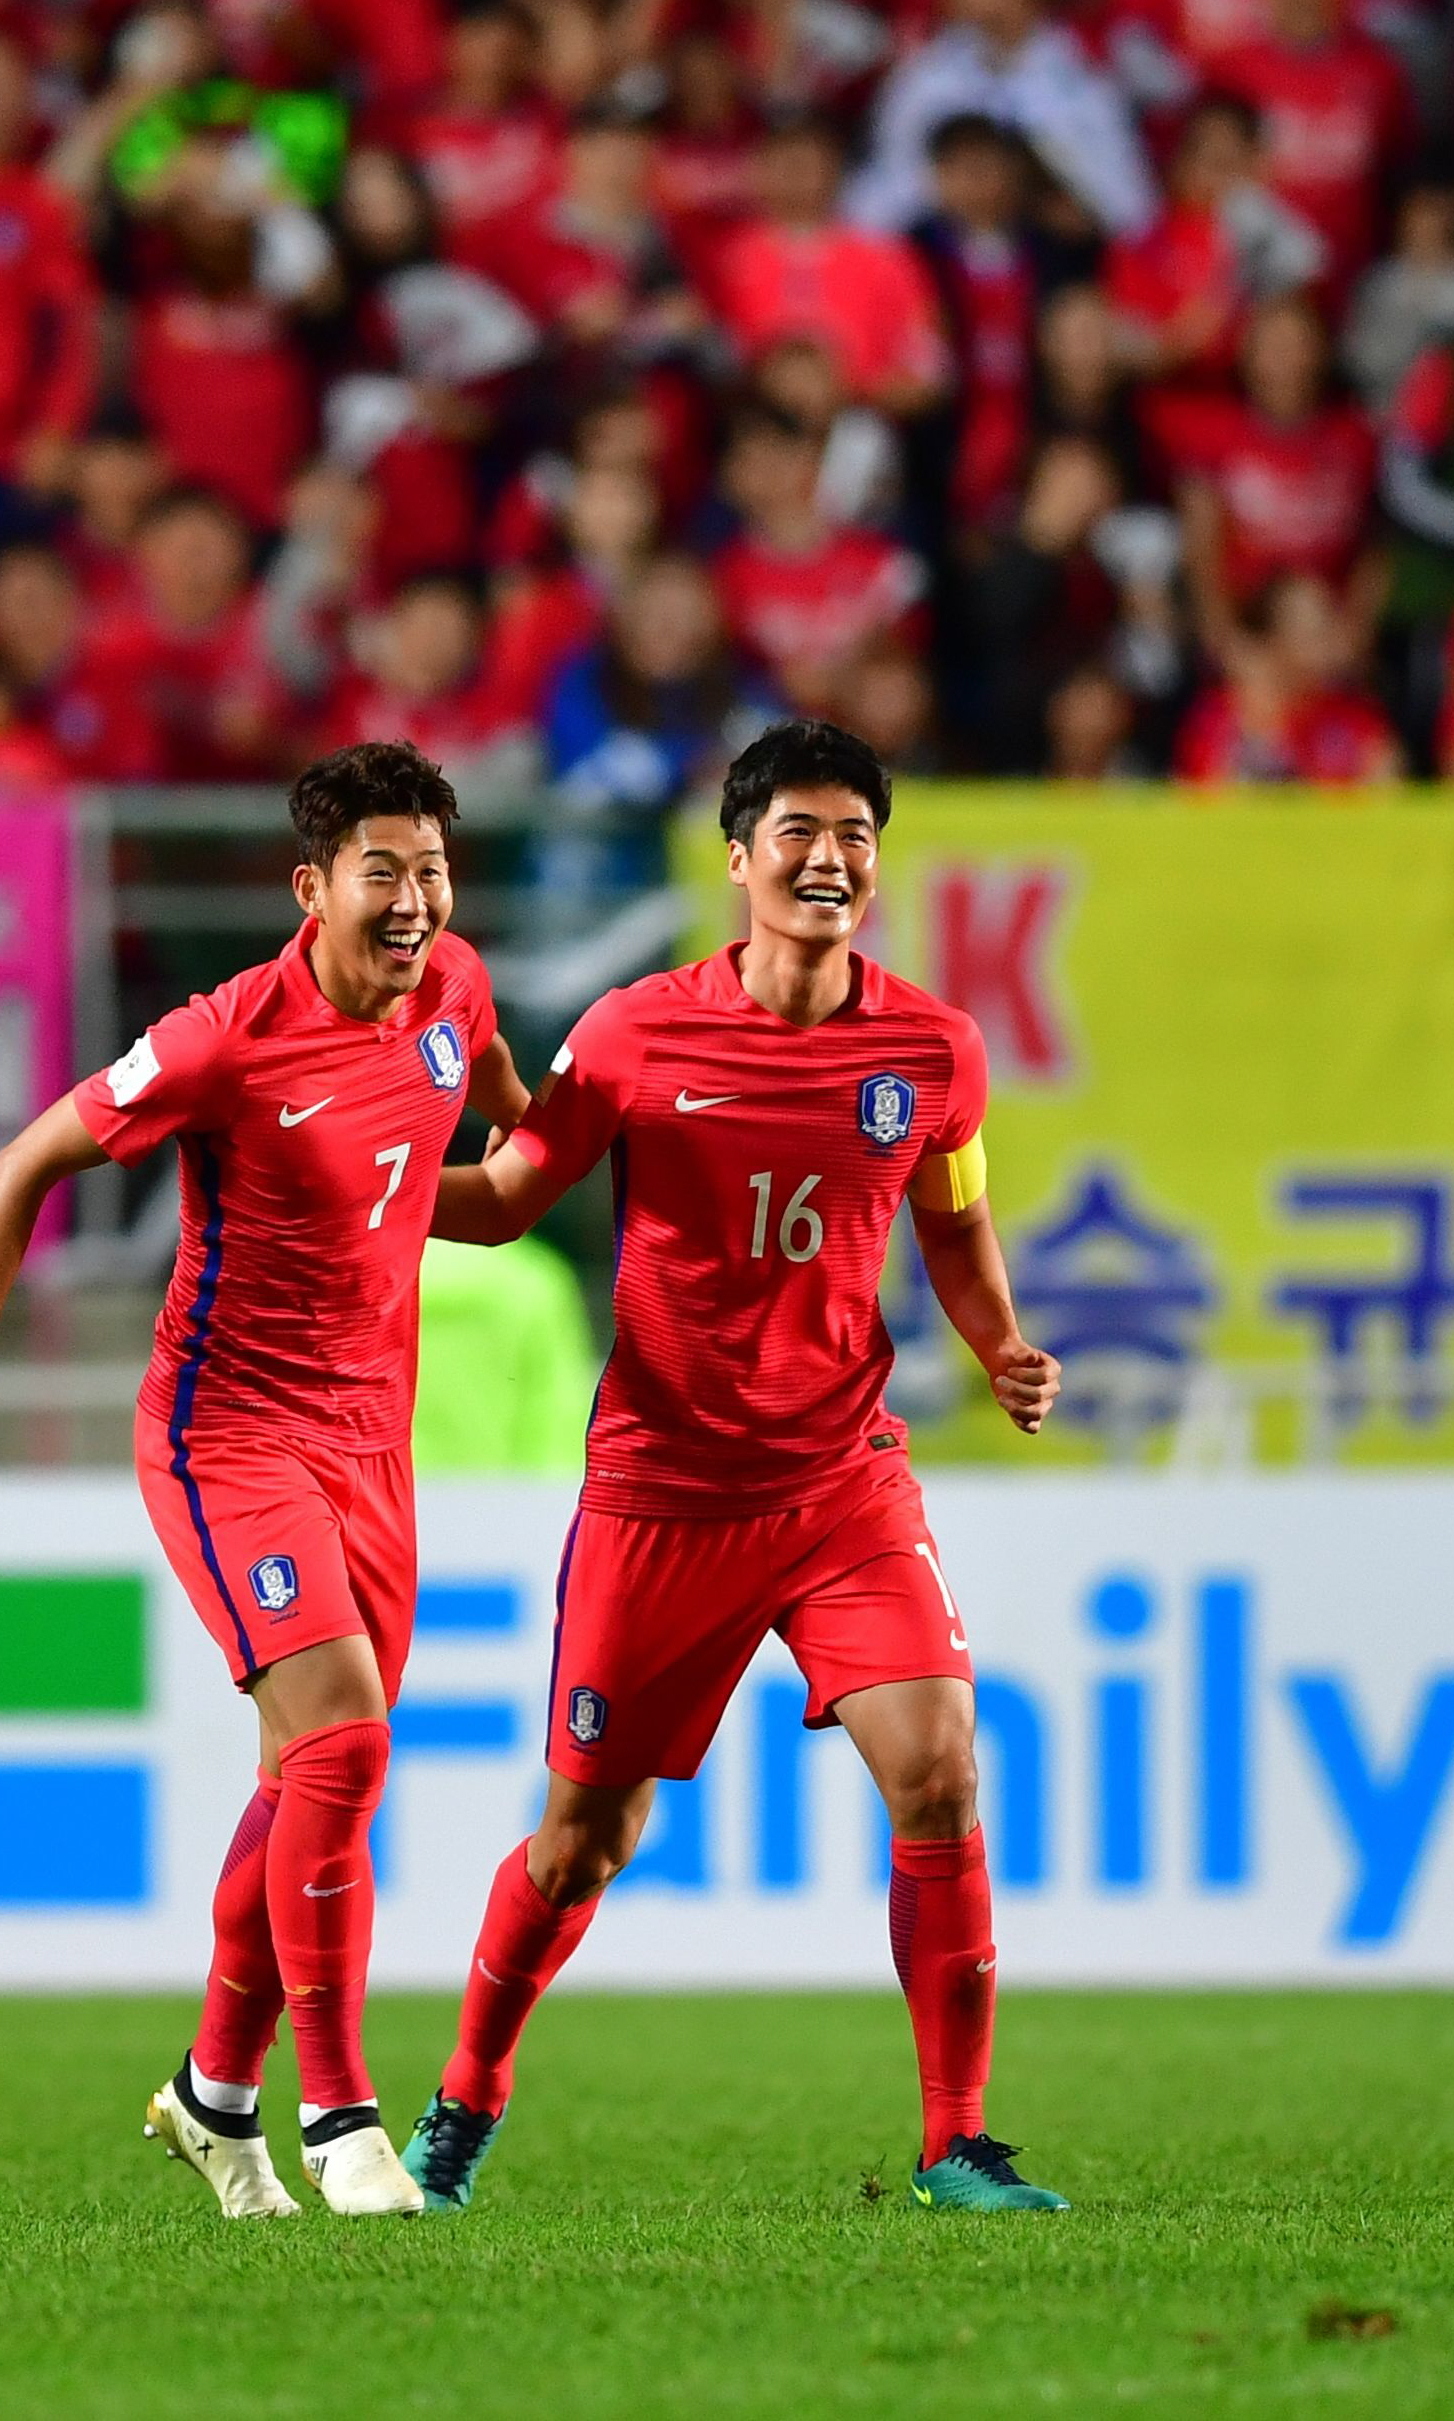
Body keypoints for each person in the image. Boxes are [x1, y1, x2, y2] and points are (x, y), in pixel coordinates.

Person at [400, 716, 1069, 2218]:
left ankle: (953, 2142)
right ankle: (464, 2099)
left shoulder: (930, 1052)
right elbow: (510, 1196)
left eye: (854, 839)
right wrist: (360, 1199)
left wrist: (996, 1342)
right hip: (662, 1496)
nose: (829, 861)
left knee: (942, 1773)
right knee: (584, 1843)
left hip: (840, 1483)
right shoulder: (638, 1032)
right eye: (801, 836)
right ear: (738, 862)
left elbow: (951, 1221)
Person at [0, 740, 531, 2219]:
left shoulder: (458, 995)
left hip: (374, 1444)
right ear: (313, 888)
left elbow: (505, 1162)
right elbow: (22, 1166)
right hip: (225, 1431)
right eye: (384, 871)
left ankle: (210, 2094)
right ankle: (343, 2114)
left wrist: (601, 1146)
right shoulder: (218, 1039)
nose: (416, 900)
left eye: (433, 871)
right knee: (349, 1748)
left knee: (311, 1776)